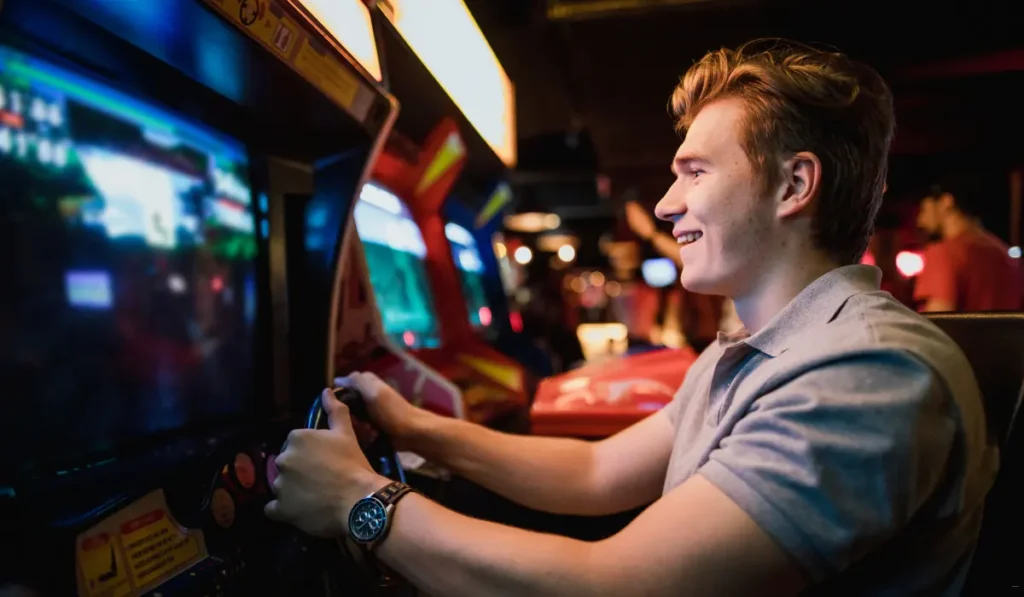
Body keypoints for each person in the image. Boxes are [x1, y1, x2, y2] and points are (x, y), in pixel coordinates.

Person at [265, 39, 995, 596]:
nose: (669, 205)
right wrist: (418, 427)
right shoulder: (754, 348)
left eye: (695, 172)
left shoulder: (864, 374)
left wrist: (363, 501)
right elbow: (596, 469)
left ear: (795, 185)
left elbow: (616, 585)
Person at [914, 176, 1022, 311]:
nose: (920, 220)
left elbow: (938, 320)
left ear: (946, 202)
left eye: (924, 210)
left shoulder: (944, 253)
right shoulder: (1004, 253)